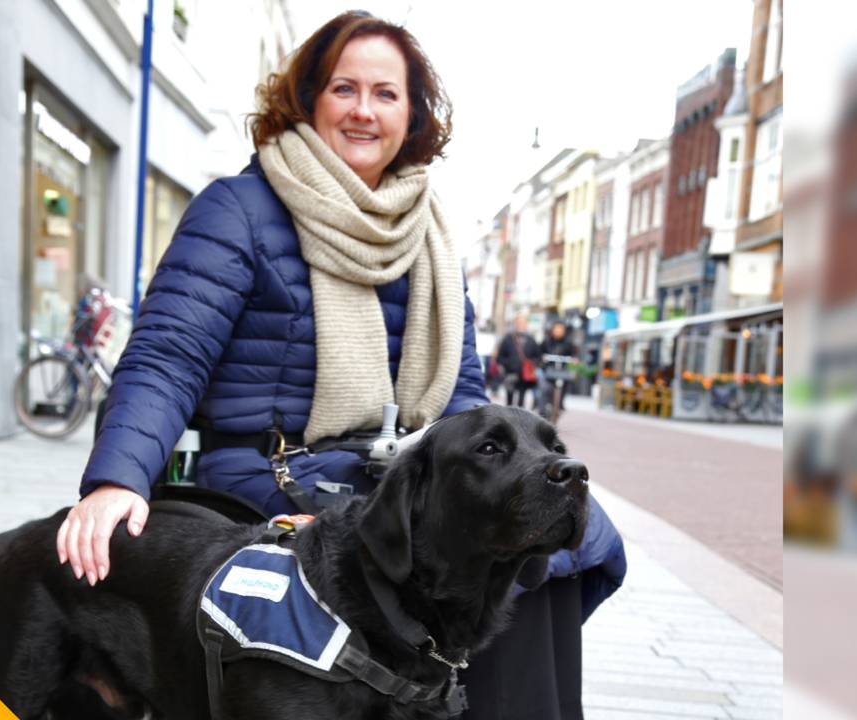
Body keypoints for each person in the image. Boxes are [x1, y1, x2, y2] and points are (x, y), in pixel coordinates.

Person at [55, 11, 625, 719]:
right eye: (343, 89)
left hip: (389, 477)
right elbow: (169, 353)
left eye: (386, 93)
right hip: (266, 477)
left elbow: (464, 401)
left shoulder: (430, 233)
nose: (364, 109)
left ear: (412, 115)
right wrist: (117, 478)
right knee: (467, 544)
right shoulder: (239, 208)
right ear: (308, 100)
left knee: (557, 528)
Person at [495, 314, 539, 409]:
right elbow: (500, 356)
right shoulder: (508, 338)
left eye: (523, 323)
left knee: (521, 399)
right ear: (515, 324)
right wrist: (507, 365)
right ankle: (508, 418)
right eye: (518, 322)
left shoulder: (531, 339)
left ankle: (519, 418)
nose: (521, 325)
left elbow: (537, 355)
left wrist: (532, 364)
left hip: (524, 375)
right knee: (509, 400)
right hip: (510, 373)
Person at [538, 320, 578, 415]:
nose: (559, 331)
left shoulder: (568, 342)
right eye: (557, 329)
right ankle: (542, 410)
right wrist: (542, 358)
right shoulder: (546, 341)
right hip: (548, 370)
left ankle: (560, 403)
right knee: (546, 389)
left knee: (566, 385)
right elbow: (539, 352)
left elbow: (574, 354)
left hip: (562, 371)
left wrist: (575, 359)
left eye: (561, 329)